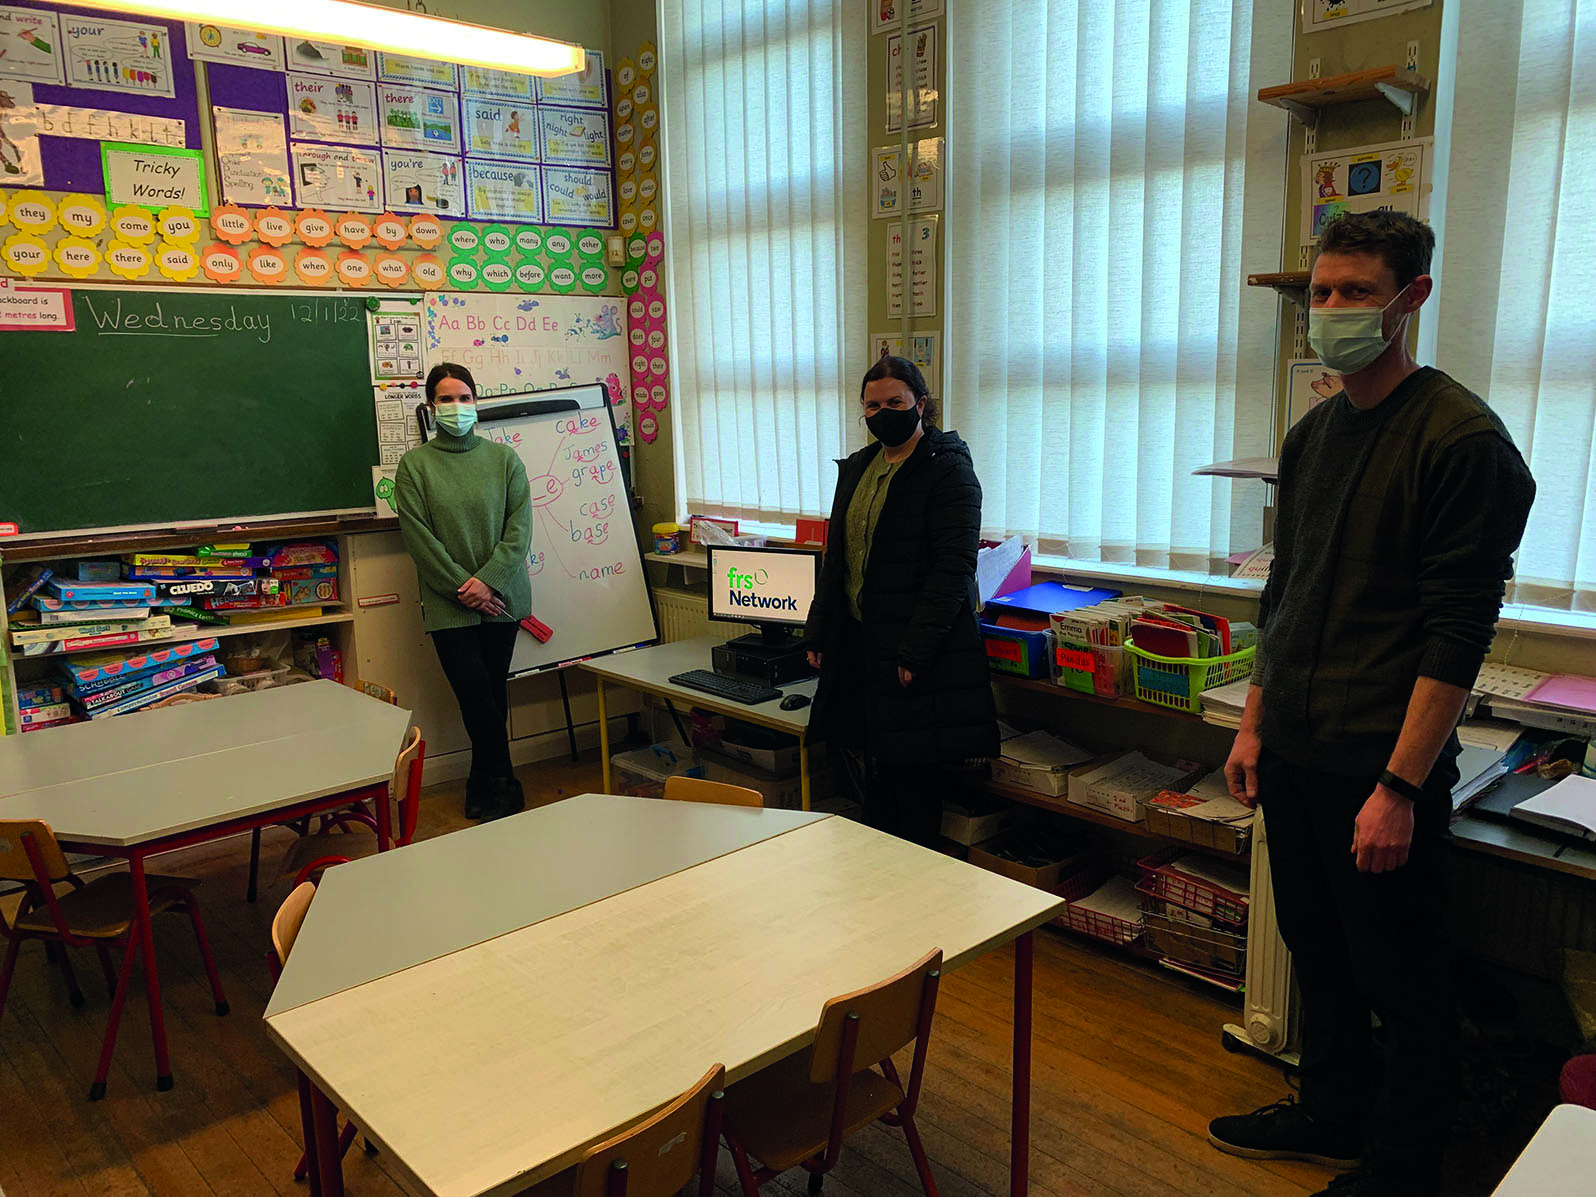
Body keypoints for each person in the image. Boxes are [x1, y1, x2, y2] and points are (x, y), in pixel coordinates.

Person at [1208, 211, 1536, 1197]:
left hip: (1378, 764)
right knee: (1317, 950)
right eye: (1322, 292)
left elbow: (1457, 634)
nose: (1333, 310)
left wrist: (1398, 786)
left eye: (1357, 292)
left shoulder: (1462, 440)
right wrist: (1255, 724)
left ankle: (1402, 1167)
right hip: (1296, 746)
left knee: (1401, 972)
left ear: (1411, 298)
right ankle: (1333, 1106)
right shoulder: (1315, 434)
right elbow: (1288, 592)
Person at [802, 356, 999, 846]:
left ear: (921, 404)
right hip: (862, 642)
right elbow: (838, 558)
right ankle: (877, 873)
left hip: (916, 651)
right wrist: (819, 630)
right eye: (872, 406)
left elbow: (952, 571)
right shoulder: (859, 467)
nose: (882, 413)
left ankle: (914, 881)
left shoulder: (948, 470)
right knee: (875, 772)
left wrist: (915, 652)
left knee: (913, 784)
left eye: (895, 402)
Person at [394, 363, 533, 822]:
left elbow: (519, 530)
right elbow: (419, 538)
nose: (457, 407)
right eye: (446, 399)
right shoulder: (415, 466)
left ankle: (481, 782)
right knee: (474, 694)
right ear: (431, 407)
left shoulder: (505, 460)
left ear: (477, 402)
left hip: (502, 598)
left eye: (465, 397)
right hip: (447, 601)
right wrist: (464, 587)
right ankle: (504, 779)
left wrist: (488, 581)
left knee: (491, 693)